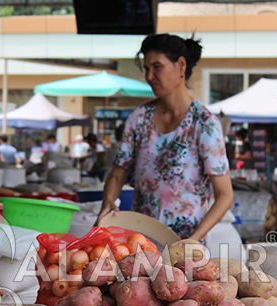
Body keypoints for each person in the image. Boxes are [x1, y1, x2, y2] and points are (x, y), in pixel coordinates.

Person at [96, 33, 234, 242]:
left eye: (157, 67)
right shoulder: (139, 118)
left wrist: (193, 240)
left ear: (181, 66)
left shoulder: (204, 122)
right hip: (140, 242)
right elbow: (118, 173)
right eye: (146, 69)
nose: (149, 76)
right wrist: (108, 200)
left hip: (185, 245)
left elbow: (225, 195)